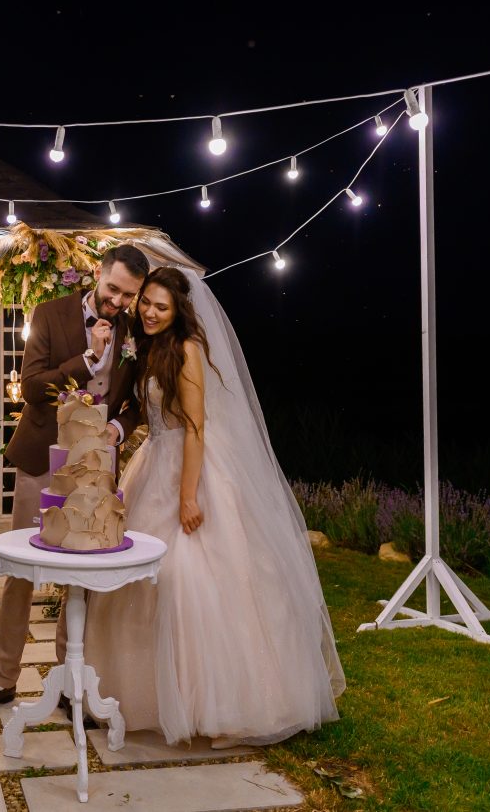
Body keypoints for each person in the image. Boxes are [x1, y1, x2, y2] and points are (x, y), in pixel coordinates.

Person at [84, 266, 346, 746]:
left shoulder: (186, 351)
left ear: (178, 311)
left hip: (189, 466)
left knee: (189, 580)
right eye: (146, 303)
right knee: (141, 582)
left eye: (161, 307)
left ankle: (215, 702)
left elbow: (196, 428)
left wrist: (189, 496)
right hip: (153, 464)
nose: (150, 312)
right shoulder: (146, 348)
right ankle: (145, 694)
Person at [0, 244, 150, 720]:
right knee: (23, 571)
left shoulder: (136, 330)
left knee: (81, 576)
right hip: (42, 458)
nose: (118, 302)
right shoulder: (49, 313)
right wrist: (88, 357)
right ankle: (3, 681)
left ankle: (68, 678)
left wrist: (118, 429)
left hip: (98, 467)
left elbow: (139, 401)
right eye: (112, 290)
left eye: (128, 295)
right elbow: (31, 388)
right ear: (96, 275)